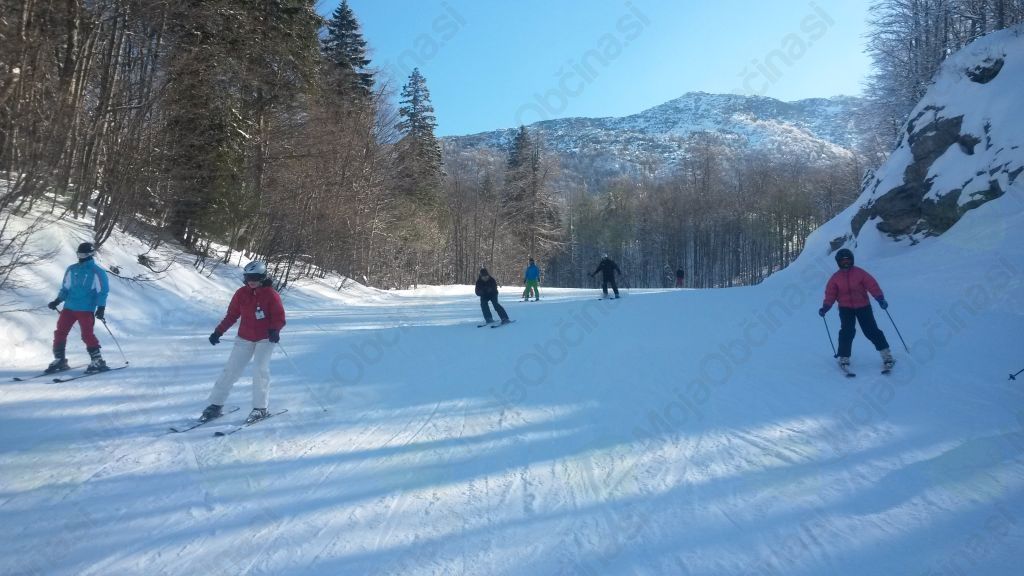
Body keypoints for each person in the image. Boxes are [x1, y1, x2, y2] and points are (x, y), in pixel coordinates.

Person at [200, 261, 286, 424]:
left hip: (265, 338)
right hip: (244, 337)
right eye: (248, 277)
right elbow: (232, 315)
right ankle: (215, 405)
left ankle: (260, 408)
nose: (251, 281)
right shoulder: (241, 293)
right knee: (230, 370)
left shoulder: (271, 294)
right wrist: (218, 332)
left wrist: (275, 330)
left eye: (255, 277)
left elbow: (279, 317)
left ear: (262, 277)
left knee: (259, 370)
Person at [818, 248, 895, 371]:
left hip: (863, 306)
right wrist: (825, 307)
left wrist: (880, 299)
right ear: (838, 262)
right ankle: (844, 357)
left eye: (848, 260)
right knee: (847, 332)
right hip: (845, 308)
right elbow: (830, 294)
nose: (845, 262)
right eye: (843, 261)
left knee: (871, 330)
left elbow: (872, 285)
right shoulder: (835, 278)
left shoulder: (860, 273)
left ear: (852, 260)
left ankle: (886, 354)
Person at [45, 242, 110, 374]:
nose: (80, 257)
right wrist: (57, 301)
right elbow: (65, 288)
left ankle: (97, 360)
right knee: (60, 332)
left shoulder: (97, 272)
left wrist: (101, 308)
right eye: (79, 254)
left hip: (86, 309)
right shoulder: (72, 269)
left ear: (90, 254)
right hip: (69, 307)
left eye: (83, 255)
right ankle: (60, 360)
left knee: (86, 335)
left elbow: (102, 291)